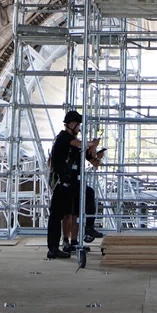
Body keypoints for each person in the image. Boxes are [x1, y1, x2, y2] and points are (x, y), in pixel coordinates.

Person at [46, 110, 105, 258]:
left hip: (72, 183)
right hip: (61, 183)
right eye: (78, 125)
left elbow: (94, 162)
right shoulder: (64, 137)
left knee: (86, 196)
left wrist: (94, 152)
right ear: (72, 124)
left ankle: (87, 229)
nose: (79, 128)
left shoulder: (76, 144)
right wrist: (92, 143)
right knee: (58, 215)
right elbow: (80, 143)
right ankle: (54, 248)